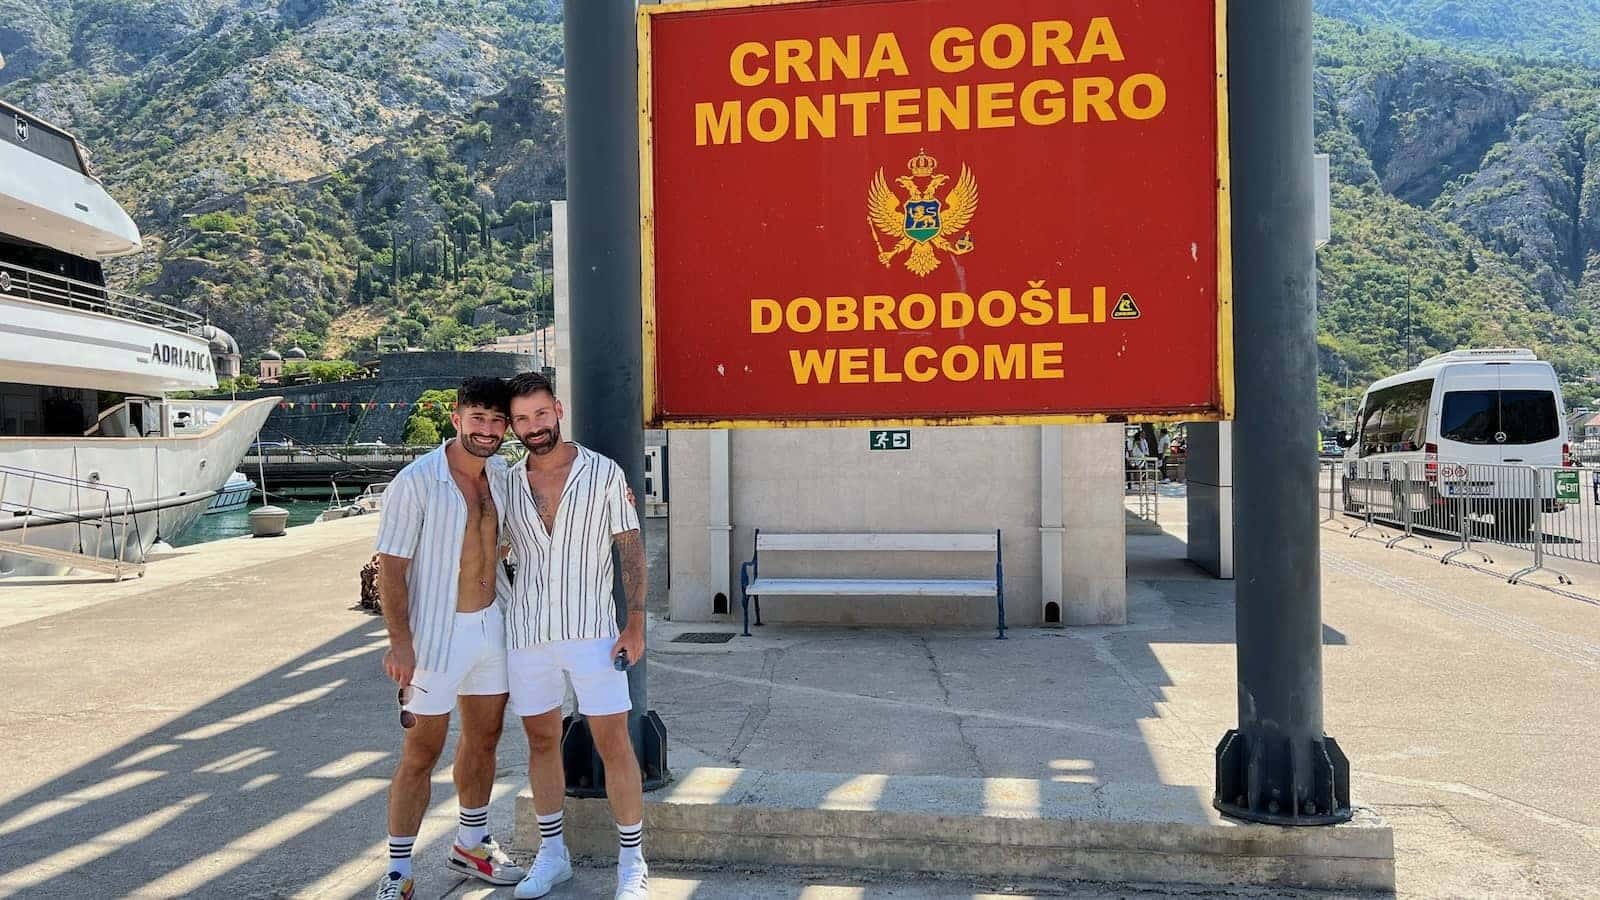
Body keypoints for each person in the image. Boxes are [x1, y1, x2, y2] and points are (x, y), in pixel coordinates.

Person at [493, 372, 650, 900]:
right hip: (528, 632)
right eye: (521, 419)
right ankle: (552, 853)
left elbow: (629, 547)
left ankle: (632, 861)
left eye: (540, 414)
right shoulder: (509, 483)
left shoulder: (604, 474)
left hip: (594, 633)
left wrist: (636, 621)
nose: (533, 427)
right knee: (540, 742)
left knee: (613, 742)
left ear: (558, 410)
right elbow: (493, 548)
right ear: (512, 425)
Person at [371, 377, 525, 900]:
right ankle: (396, 870)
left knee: (484, 739)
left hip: (491, 627)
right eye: (477, 419)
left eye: (496, 421)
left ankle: (471, 843)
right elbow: (389, 569)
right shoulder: (415, 482)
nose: (487, 430)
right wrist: (400, 643)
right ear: (456, 417)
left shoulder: (503, 477)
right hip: (435, 636)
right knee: (421, 751)